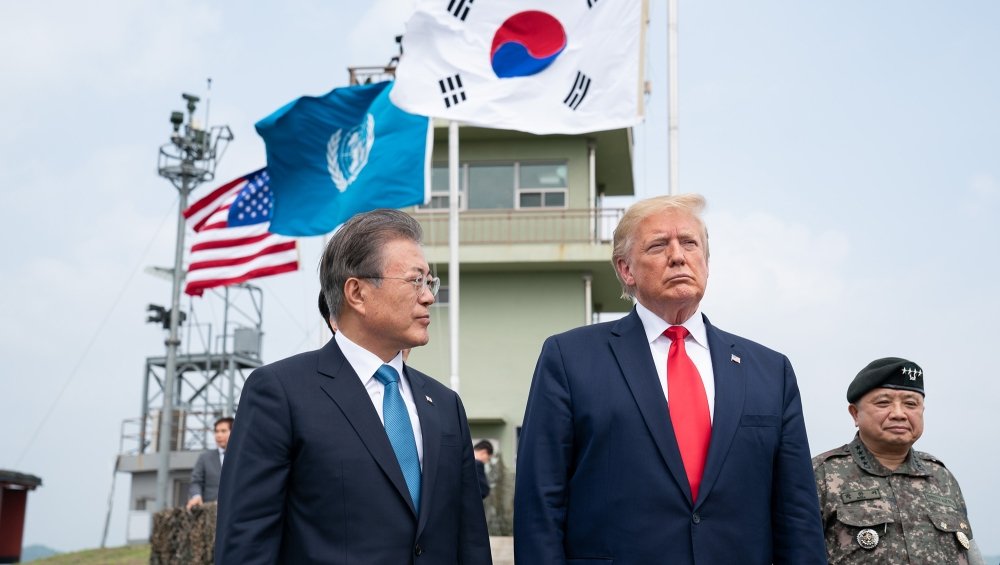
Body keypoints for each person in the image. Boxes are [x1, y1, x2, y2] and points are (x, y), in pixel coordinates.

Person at [513, 194, 826, 564]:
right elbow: (540, 503)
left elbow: (797, 514)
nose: (678, 256)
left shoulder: (771, 371)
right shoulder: (570, 359)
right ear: (626, 269)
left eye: (690, 243)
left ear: (706, 262)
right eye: (659, 245)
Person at [215, 209, 492, 564]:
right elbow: (246, 543)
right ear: (357, 292)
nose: (428, 298)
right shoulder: (280, 393)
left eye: (430, 283)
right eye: (415, 281)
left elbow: (470, 541)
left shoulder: (444, 403)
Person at [813, 357, 985, 564]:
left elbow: (970, 553)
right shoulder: (820, 474)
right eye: (883, 403)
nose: (898, 414)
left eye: (911, 404)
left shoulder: (941, 477)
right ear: (855, 413)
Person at [185, 416, 232, 510]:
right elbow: (196, 481)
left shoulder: (243, 457)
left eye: (223, 431)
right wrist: (196, 496)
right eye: (216, 431)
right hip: (211, 512)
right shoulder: (205, 458)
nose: (218, 435)